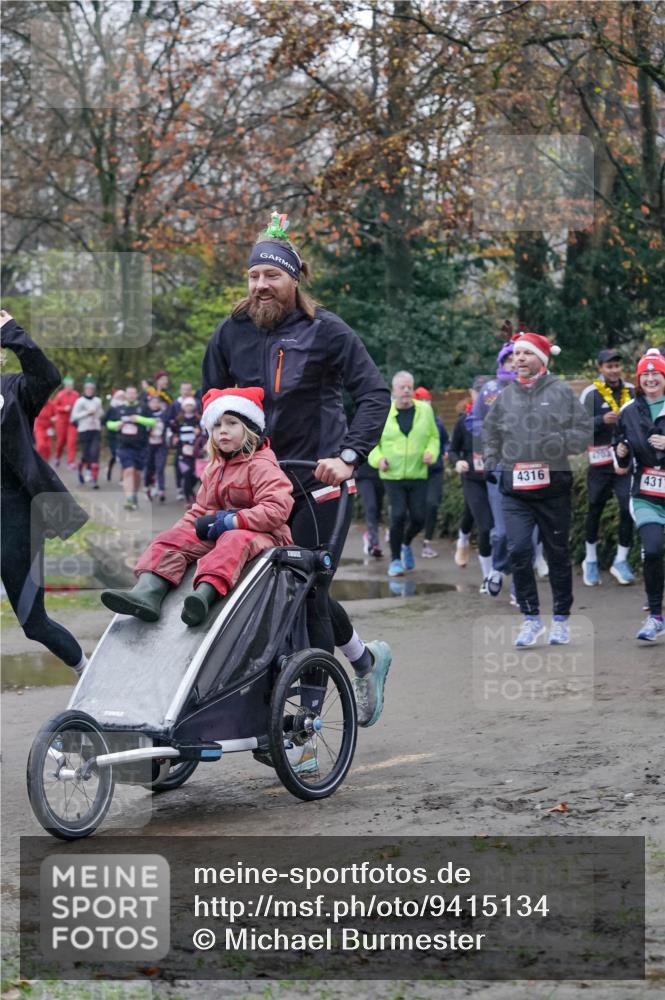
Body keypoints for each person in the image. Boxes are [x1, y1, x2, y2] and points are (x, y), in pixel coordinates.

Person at [201, 211, 392, 729]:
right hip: (257, 489)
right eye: (254, 276)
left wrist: (349, 455)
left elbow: (373, 394)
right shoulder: (230, 334)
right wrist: (217, 463)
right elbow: (212, 402)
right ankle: (364, 661)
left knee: (307, 591)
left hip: (316, 485)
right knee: (268, 592)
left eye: (272, 276)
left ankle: (308, 722)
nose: (261, 286)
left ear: (293, 279)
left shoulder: (325, 330)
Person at [101, 386, 294, 626]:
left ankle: (204, 596)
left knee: (233, 539)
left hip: (264, 537)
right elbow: (201, 510)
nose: (223, 431)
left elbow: (277, 509)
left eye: (232, 423)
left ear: (250, 429)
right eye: (217, 425)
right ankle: (147, 593)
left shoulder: (261, 465)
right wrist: (181, 532)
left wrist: (233, 521)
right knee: (170, 538)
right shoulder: (215, 468)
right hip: (220, 531)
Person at [483, 332, 591, 647]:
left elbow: (584, 431)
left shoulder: (561, 392)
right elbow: (490, 432)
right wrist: (492, 462)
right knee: (518, 550)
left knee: (557, 555)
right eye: (515, 354)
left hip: (553, 489)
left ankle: (560, 619)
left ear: (540, 360)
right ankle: (531, 619)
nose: (518, 359)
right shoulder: (505, 396)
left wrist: (562, 443)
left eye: (525, 354)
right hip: (515, 491)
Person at [0, 310, 88, 676]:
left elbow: (47, 376)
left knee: (33, 622)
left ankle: (87, 671)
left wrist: (12, 332)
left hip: (17, 516)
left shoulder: (15, 389)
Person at [369, 371, 440, 577]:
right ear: (394, 390)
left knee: (419, 518)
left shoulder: (425, 410)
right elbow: (373, 443)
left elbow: (434, 438)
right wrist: (378, 459)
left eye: (410, 387)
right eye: (402, 387)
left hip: (418, 473)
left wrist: (431, 453)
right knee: (398, 515)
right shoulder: (384, 412)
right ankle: (395, 560)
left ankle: (407, 543)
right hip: (392, 474)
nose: (407, 390)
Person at [615, 348, 665, 641]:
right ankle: (655, 616)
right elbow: (620, 466)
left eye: (655, 373)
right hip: (645, 495)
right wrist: (620, 454)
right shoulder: (628, 412)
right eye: (644, 374)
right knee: (654, 549)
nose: (649, 378)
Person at [580, 348, 635, 587]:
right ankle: (590, 559)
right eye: (608, 366)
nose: (613, 370)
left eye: (616, 366)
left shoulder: (633, 390)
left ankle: (621, 560)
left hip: (624, 462)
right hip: (600, 462)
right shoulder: (591, 393)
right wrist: (600, 420)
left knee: (627, 509)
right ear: (600, 369)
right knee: (594, 508)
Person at [449, 376, 495, 592]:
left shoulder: (504, 418)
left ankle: (463, 537)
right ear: (473, 394)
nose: (484, 396)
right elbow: (452, 449)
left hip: (495, 478)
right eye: (480, 392)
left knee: (475, 515)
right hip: (472, 478)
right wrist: (457, 461)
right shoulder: (464, 421)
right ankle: (488, 577)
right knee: (485, 525)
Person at [105, 385, 156, 510]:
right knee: (128, 470)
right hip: (124, 445)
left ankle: (133, 495)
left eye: (134, 393)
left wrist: (138, 419)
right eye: (129, 393)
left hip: (141, 446)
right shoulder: (118, 409)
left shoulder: (143, 408)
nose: (131, 395)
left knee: (137, 473)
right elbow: (108, 424)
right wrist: (118, 424)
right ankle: (129, 499)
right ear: (125, 395)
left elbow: (153, 422)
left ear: (136, 395)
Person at [413, 387, 448, 558]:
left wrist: (446, 451)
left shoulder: (438, 422)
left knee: (432, 504)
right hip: (415, 471)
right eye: (422, 400)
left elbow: (445, 443)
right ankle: (402, 536)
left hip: (435, 470)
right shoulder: (409, 420)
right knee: (414, 510)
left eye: (428, 400)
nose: (426, 404)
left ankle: (427, 542)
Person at [70, 375, 103, 488]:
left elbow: (100, 414)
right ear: (84, 389)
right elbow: (73, 417)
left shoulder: (98, 401)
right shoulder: (79, 401)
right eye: (87, 388)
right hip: (84, 431)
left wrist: (98, 415)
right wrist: (87, 413)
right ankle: (80, 472)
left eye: (91, 389)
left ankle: (94, 480)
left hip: (95, 430)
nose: (89, 390)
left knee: (95, 454)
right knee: (86, 455)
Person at [170, 396, 202, 506]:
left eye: (191, 405)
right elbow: (173, 432)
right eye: (187, 405)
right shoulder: (179, 419)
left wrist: (199, 432)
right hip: (182, 452)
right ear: (183, 407)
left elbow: (204, 434)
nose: (189, 407)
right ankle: (188, 498)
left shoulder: (198, 419)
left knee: (196, 475)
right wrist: (174, 438)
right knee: (186, 473)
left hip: (195, 452)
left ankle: (191, 493)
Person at [356, 461, 385, 558]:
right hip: (363, 475)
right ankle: (374, 544)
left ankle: (369, 535)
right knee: (371, 507)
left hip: (381, 473)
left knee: (377, 510)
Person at [144, 392, 169, 502]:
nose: (154, 404)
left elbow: (169, 427)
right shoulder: (145, 415)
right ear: (149, 404)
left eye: (156, 402)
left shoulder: (164, 415)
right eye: (152, 402)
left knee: (160, 466)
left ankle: (161, 489)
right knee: (149, 468)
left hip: (161, 445)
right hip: (148, 445)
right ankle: (149, 487)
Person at [53, 375, 78, 469]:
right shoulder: (60, 395)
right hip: (61, 422)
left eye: (71, 386)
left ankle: (70, 462)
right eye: (68, 386)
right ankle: (57, 457)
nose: (70, 387)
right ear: (65, 386)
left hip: (72, 422)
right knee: (61, 442)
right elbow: (55, 407)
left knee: (71, 441)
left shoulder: (76, 394)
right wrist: (64, 408)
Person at [104, 388, 126, 482]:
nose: (121, 398)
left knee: (122, 457)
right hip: (113, 436)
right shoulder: (111, 408)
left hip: (123, 436)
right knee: (115, 456)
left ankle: (122, 478)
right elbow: (104, 421)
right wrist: (115, 426)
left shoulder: (126, 407)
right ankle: (108, 469)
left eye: (122, 396)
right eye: (119, 396)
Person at [34, 396, 57, 462]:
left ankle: (45, 462)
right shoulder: (38, 404)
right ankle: (38, 460)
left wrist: (54, 418)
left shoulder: (52, 404)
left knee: (48, 447)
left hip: (49, 428)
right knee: (41, 445)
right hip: (39, 427)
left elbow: (56, 414)